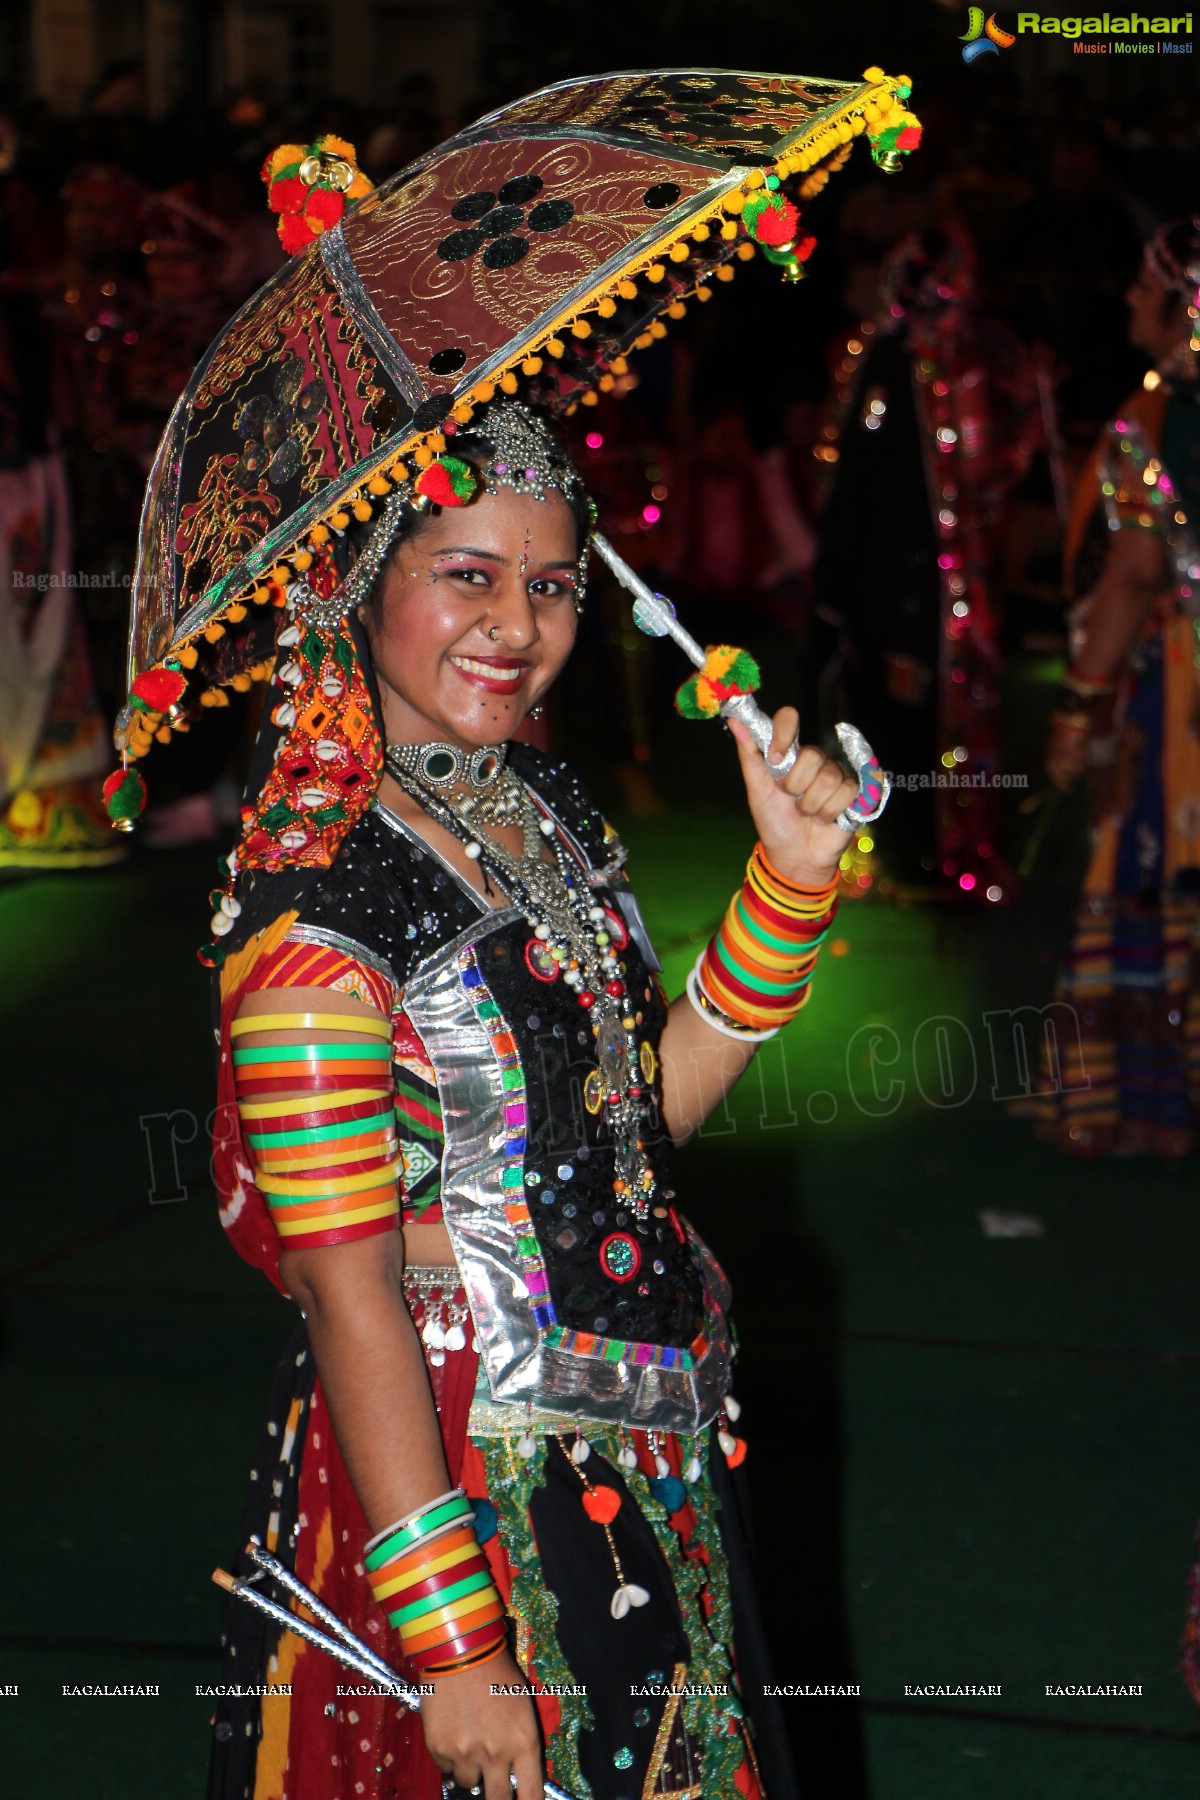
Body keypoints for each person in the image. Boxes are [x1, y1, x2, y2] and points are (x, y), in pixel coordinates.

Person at [202, 402, 859, 1800]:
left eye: (553, 583)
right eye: (468, 574)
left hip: (637, 1430)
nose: (516, 625)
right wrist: (456, 1647)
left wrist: (790, 881)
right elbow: (346, 1291)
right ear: (358, 583)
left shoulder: (543, 809)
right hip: (450, 1456)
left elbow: (632, 1130)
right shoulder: (319, 911)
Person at [1034, 217, 1200, 1157]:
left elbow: (1136, 573)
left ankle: (1146, 1104)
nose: (1133, 300)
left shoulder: (1158, 418)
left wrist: (1080, 702)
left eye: (1151, 284)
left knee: (1149, 864)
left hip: (1177, 691)